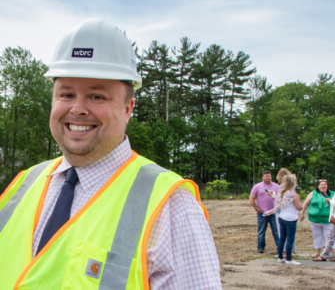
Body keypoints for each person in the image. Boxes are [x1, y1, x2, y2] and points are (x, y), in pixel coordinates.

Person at [0, 18, 221, 289]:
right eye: (66, 94)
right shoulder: (23, 184)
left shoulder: (171, 206)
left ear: (128, 109)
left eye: (96, 96)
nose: (78, 109)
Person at [264, 174, 302, 265]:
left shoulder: (281, 193)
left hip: (282, 216)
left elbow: (277, 201)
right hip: (291, 218)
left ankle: (280, 257)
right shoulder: (293, 194)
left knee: (282, 238)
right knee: (290, 239)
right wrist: (303, 206)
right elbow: (298, 207)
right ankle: (289, 259)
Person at [300, 179, 335, 258]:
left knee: (330, 236)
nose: (323, 186)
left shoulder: (332, 194)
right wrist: (302, 213)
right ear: (318, 186)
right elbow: (306, 203)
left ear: (327, 186)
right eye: (322, 184)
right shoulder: (313, 193)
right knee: (317, 236)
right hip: (315, 219)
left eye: (325, 184)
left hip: (328, 220)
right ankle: (317, 252)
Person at [250, 170, 279, 253]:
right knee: (261, 231)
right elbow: (251, 198)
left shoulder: (277, 186)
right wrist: (256, 208)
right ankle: (260, 247)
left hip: (274, 213)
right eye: (266, 176)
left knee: (276, 231)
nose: (268, 177)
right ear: (263, 177)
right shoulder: (257, 186)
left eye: (269, 176)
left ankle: (279, 246)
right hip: (262, 213)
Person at [274, 168, 295, 256]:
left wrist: (273, 195)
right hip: (291, 213)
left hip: (281, 212)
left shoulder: (281, 187)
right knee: (289, 234)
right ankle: (288, 250)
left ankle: (284, 252)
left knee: (282, 234)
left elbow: (280, 201)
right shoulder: (292, 188)